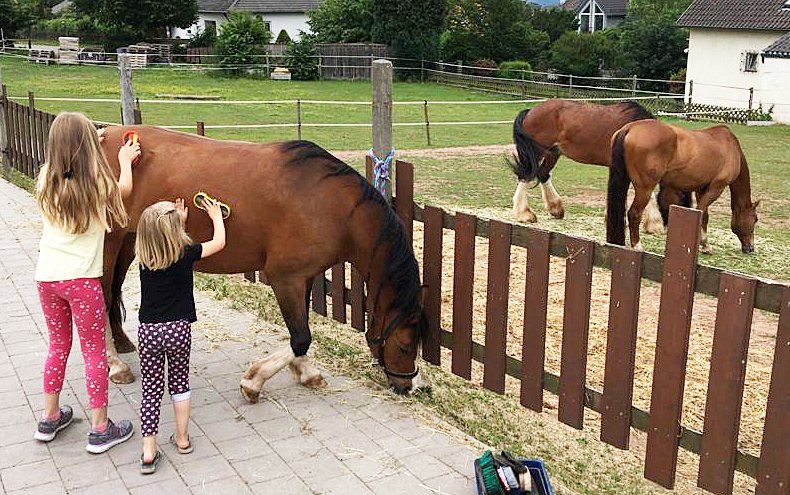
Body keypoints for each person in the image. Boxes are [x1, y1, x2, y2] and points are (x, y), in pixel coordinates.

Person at [34, 113, 141, 453]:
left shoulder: (44, 180)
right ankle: (99, 427)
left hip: (47, 279)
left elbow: (64, 164)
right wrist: (124, 160)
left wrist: (86, 143)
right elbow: (124, 189)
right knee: (94, 353)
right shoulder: (98, 186)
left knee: (57, 348)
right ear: (87, 149)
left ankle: (50, 418)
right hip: (82, 283)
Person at [134, 197, 226, 474]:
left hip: (148, 331)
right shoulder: (186, 253)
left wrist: (177, 222)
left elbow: (162, 240)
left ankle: (149, 450)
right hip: (179, 329)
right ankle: (183, 439)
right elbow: (219, 243)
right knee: (180, 384)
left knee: (151, 390)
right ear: (176, 232)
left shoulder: (144, 258)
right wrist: (216, 217)